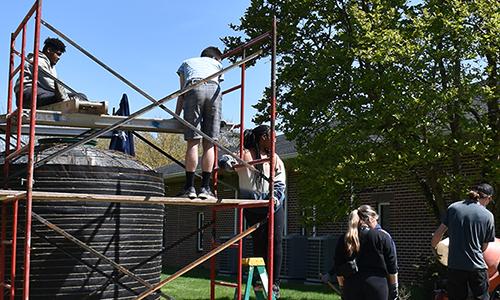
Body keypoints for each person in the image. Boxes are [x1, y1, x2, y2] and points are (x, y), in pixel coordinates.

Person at [219, 125, 286, 299]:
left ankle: (274, 283)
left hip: (272, 205)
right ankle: (259, 280)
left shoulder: (275, 158)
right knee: (259, 242)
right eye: (274, 137)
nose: (276, 141)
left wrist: (275, 199)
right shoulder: (246, 153)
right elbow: (226, 160)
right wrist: (226, 162)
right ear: (263, 137)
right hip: (253, 205)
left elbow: (280, 183)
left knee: (276, 240)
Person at [431, 183, 495, 300]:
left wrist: (435, 250)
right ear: (488, 198)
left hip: (455, 267)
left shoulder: (454, 208)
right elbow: (484, 246)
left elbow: (437, 235)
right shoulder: (488, 215)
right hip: (476, 267)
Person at [175, 46, 224, 200]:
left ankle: (190, 188)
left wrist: (176, 115)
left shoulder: (186, 63)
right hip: (214, 91)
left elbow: (181, 92)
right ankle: (206, 188)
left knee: (193, 141)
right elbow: (217, 84)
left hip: (194, 87)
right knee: (209, 143)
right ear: (215, 58)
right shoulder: (217, 65)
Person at [332, 205, 399, 300]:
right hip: (377, 285)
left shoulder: (344, 238)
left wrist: (342, 288)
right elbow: (392, 267)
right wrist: (394, 288)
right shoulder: (382, 236)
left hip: (351, 285)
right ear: (370, 219)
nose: (377, 224)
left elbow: (338, 267)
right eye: (376, 220)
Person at [14, 37, 87, 109]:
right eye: (58, 54)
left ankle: (68, 100)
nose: (59, 58)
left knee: (80, 96)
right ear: (49, 50)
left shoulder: (50, 65)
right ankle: (66, 100)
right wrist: (70, 94)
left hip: (40, 92)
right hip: (26, 94)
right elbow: (50, 84)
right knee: (75, 97)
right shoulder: (39, 61)